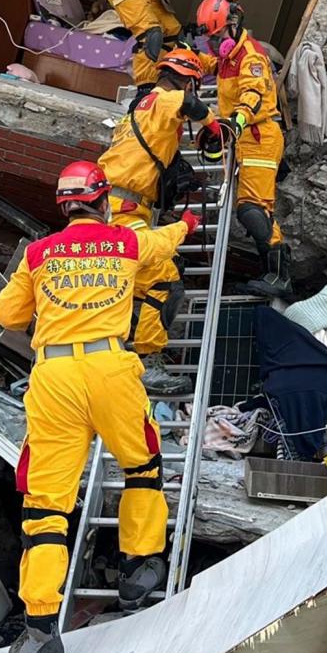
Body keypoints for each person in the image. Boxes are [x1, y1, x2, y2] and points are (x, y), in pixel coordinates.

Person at [0, 160, 200, 653]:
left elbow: (6, 318)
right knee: (143, 466)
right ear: (103, 201)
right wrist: (190, 224)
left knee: (45, 505)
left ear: (64, 207)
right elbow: (163, 242)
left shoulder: (38, 254)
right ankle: (140, 568)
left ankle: (40, 633)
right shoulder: (125, 243)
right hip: (112, 368)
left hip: (55, 377)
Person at [99, 48, 223, 395]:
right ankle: (147, 362)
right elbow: (190, 106)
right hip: (123, 210)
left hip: (116, 205)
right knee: (163, 278)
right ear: (187, 80)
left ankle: (122, 353)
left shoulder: (141, 107)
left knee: (134, 283)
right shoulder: (165, 98)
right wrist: (213, 127)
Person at [194, 0, 292, 297]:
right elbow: (209, 65)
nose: (214, 43)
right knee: (254, 209)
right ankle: (273, 273)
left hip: (259, 135)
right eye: (210, 38)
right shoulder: (227, 56)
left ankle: (279, 276)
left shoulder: (251, 57)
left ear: (234, 24)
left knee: (253, 210)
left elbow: (253, 93)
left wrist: (234, 122)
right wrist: (183, 56)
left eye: (217, 35)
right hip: (246, 139)